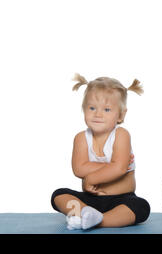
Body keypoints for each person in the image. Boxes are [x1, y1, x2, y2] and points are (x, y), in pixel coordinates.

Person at [51, 73, 150, 230]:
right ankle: (85, 212)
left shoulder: (121, 135)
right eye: (92, 108)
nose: (98, 114)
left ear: (121, 115)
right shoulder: (81, 138)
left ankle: (99, 220)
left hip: (121, 199)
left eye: (107, 109)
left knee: (141, 207)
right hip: (90, 199)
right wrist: (113, 166)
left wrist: (92, 177)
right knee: (59, 195)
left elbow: (119, 168)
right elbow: (79, 169)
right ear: (84, 110)